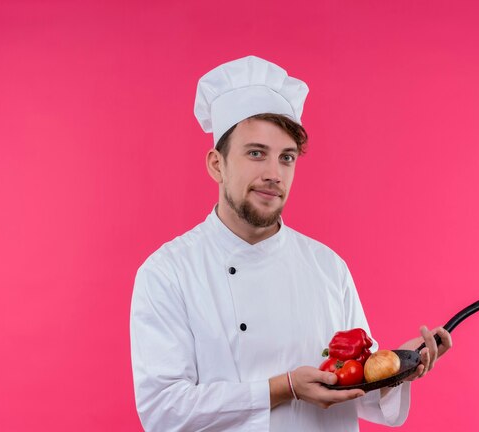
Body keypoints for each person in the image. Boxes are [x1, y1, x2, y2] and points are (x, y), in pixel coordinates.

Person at [130, 55, 452, 431]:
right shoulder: (169, 272)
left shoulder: (328, 267)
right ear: (217, 164)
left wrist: (398, 367)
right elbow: (163, 410)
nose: (273, 174)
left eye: (287, 158)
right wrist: (281, 389)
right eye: (255, 154)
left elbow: (355, 385)